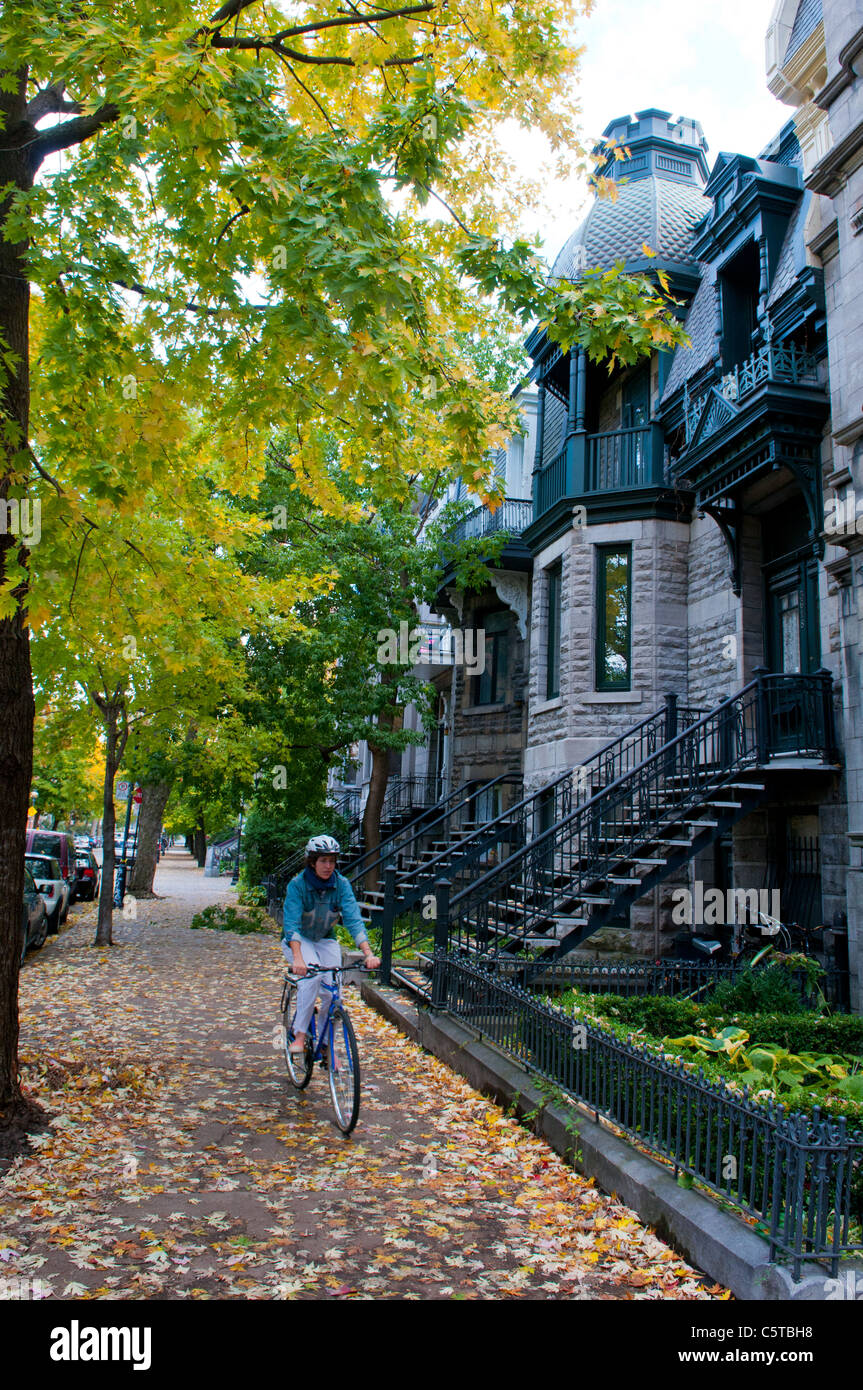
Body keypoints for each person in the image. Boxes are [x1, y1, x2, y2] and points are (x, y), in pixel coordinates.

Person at [282, 835, 380, 1054]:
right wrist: (298, 959)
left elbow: (354, 920)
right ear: (312, 862)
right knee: (312, 976)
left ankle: (326, 1045)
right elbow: (292, 925)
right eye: (323, 861)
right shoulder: (298, 885)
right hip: (298, 941)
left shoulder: (341, 885)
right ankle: (298, 1034)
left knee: (333, 992)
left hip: (325, 938)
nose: (328, 866)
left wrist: (368, 953)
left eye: (332, 861)